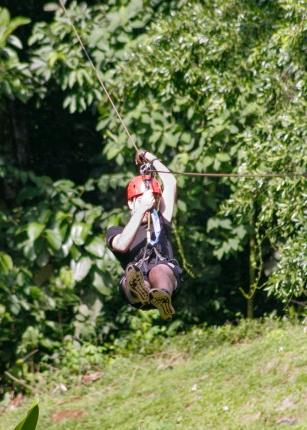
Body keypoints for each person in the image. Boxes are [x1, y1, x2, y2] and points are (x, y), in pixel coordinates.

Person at [106, 150, 182, 320]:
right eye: (142, 199)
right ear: (130, 203)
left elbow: (170, 183)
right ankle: (141, 290)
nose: (150, 203)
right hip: (135, 282)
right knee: (134, 277)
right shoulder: (115, 230)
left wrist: (150, 157)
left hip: (164, 278)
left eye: (153, 199)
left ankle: (162, 298)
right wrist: (141, 209)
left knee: (159, 269)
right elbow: (121, 245)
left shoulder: (161, 219)